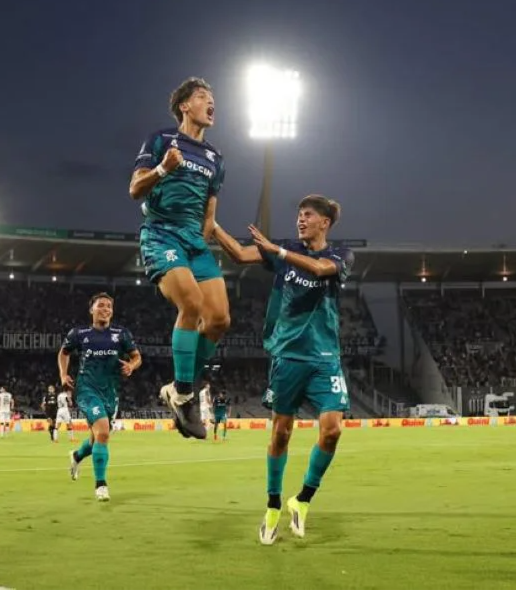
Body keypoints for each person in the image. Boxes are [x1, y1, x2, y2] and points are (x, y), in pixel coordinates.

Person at [212, 195, 354, 545]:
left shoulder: (341, 255)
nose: (300, 221)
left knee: (333, 430)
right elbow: (240, 255)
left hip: (324, 358)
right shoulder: (285, 251)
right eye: (299, 215)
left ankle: (302, 499)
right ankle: (273, 504)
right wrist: (213, 226)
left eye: (308, 216)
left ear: (326, 223)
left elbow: (320, 270)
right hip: (287, 356)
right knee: (281, 434)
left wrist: (278, 252)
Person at [129, 77, 231, 440]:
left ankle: (178, 386)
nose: (211, 102)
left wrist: (204, 242)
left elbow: (209, 215)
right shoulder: (161, 140)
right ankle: (186, 395)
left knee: (219, 319)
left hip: (194, 242)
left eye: (212, 97)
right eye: (203, 96)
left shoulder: (216, 159)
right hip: (160, 233)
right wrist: (162, 169)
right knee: (190, 302)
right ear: (185, 106)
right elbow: (134, 188)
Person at [58, 292, 142, 501]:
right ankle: (101, 484)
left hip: (110, 392)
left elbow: (136, 356)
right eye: (101, 305)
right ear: (92, 309)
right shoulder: (79, 333)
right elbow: (64, 352)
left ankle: (77, 456)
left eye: (109, 307)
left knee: (97, 438)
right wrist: (63, 374)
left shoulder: (121, 334)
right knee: (104, 432)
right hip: (86, 389)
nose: (105, 309)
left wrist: (131, 366)